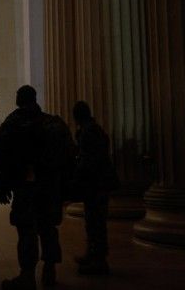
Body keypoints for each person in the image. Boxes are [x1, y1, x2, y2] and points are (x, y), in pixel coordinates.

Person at [0, 85, 75, 289]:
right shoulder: (53, 123)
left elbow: (0, 156)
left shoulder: (12, 124)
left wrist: (1, 185)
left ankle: (27, 275)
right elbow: (69, 155)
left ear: (19, 100)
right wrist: (64, 186)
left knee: (27, 230)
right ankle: (49, 270)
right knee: (48, 228)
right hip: (49, 186)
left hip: (26, 187)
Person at [71, 100, 118, 275]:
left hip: (95, 183)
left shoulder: (88, 132)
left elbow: (88, 160)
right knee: (93, 221)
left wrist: (76, 178)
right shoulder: (92, 129)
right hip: (97, 182)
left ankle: (98, 259)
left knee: (95, 221)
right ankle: (94, 255)